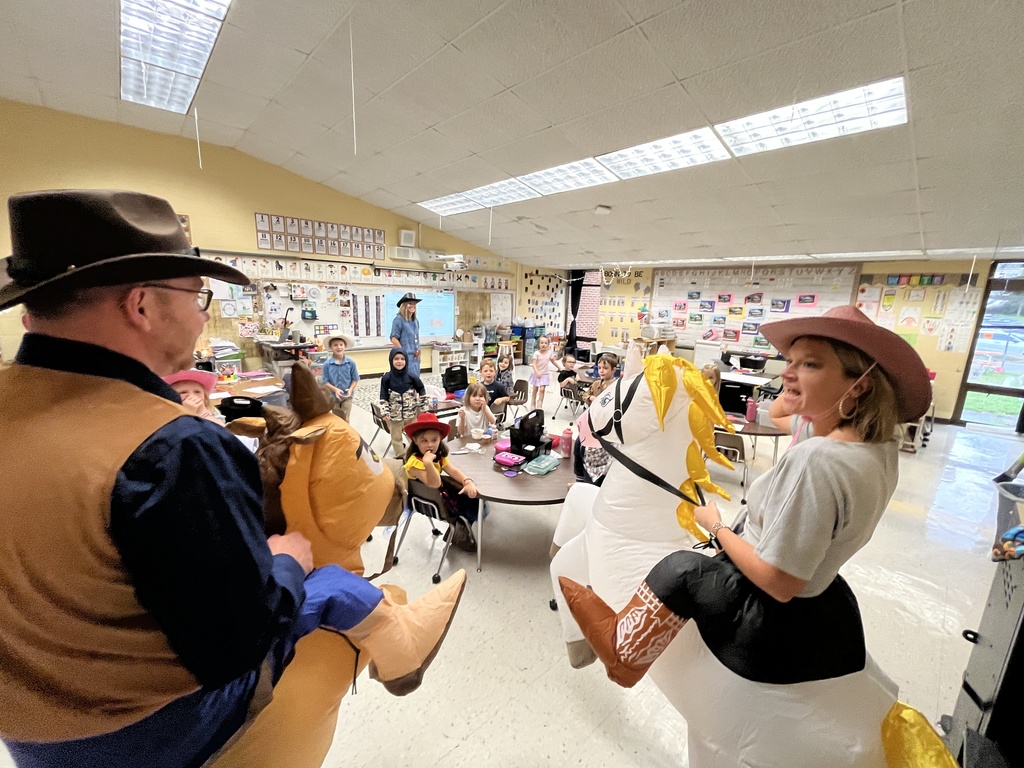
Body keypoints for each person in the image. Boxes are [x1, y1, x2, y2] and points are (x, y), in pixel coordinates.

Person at [0, 190, 466, 767]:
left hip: (29, 738)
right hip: (153, 732)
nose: (203, 316)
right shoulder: (174, 448)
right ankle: (400, 641)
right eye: (198, 296)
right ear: (141, 305)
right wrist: (287, 562)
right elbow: (238, 643)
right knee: (327, 582)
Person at [558, 305, 932, 695]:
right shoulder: (877, 445)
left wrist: (716, 525)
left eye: (811, 364)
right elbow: (779, 412)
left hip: (760, 598)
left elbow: (779, 581)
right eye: (789, 361)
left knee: (680, 568)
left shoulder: (817, 460)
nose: (786, 373)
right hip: (820, 585)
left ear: (860, 384)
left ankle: (622, 654)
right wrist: (799, 382)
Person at [404, 412, 480, 550]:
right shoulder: (414, 463)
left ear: (440, 439)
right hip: (429, 503)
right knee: (476, 505)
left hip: (439, 496)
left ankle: (460, 527)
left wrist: (467, 481)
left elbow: (453, 470)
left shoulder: (438, 456)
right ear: (415, 440)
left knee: (475, 496)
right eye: (424, 440)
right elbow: (435, 483)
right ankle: (459, 530)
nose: (430, 445)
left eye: (434, 440)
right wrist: (428, 463)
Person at [379, 347, 426, 457]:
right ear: (391, 360)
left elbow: (421, 389)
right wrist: (385, 412)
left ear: (406, 360)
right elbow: (383, 397)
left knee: (414, 436)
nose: (399, 361)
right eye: (396, 359)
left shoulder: (412, 376)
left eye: (402, 359)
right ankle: (400, 457)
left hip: (411, 414)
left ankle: (415, 455)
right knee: (396, 438)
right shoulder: (386, 378)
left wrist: (423, 408)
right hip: (395, 416)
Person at [321, 333, 359, 422]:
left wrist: (350, 390)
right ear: (331, 347)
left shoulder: (351, 363)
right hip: (333, 397)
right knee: (338, 420)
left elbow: (355, 379)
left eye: (341, 345)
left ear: (345, 346)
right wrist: (335, 390)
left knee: (346, 418)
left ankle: (347, 431)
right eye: (335, 345)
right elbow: (325, 381)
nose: (339, 347)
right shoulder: (327, 365)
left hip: (347, 396)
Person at [390, 293, 422, 378]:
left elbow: (415, 337)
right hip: (406, 357)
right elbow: (393, 338)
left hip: (416, 358)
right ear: (404, 305)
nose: (412, 306)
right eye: (410, 303)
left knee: (415, 380)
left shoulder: (415, 321)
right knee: (406, 380)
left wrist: (418, 349)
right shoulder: (398, 320)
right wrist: (402, 353)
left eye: (414, 304)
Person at [528, 334, 561, 410]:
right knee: (535, 389)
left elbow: (553, 361)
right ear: (539, 344)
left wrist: (559, 367)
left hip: (545, 374)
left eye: (545, 343)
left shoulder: (549, 353)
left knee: (542, 389)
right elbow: (534, 364)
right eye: (542, 343)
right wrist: (537, 372)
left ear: (548, 344)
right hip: (537, 373)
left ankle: (540, 404)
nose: (543, 345)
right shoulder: (536, 353)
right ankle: (533, 402)